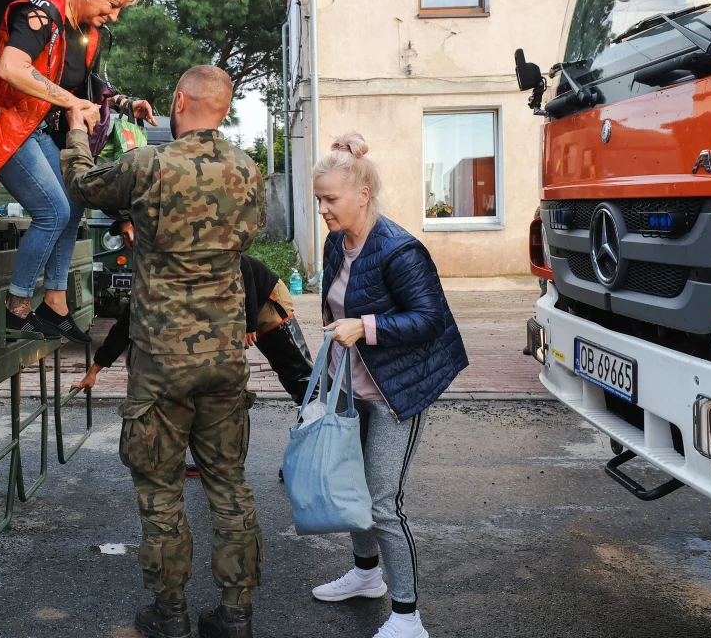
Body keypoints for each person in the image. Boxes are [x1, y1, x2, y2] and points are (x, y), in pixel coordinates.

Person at [61, 66, 264, 638]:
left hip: (160, 361)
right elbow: (246, 242)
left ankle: (170, 613)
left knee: (160, 489)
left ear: (179, 101)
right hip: (224, 357)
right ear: (223, 108)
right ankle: (236, 615)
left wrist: (77, 128)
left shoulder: (148, 165)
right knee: (229, 486)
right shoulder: (248, 170)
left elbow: (82, 184)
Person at [0, 0, 157, 343]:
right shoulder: (40, 11)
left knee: (74, 201)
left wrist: (126, 104)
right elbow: (12, 67)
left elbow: (85, 85)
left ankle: (55, 304)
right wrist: (70, 103)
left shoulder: (86, 31)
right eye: (113, 4)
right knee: (53, 211)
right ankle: (17, 308)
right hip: (2, 125)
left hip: (34, 127)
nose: (114, 16)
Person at [309, 132, 468, 638]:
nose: (323, 210)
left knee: (381, 503)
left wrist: (366, 327)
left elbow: (431, 319)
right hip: (350, 387)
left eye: (331, 200)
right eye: (319, 200)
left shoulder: (400, 251)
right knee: (351, 488)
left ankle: (407, 617)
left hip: (396, 391)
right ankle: (365, 575)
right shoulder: (337, 243)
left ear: (362, 195)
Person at [74, 253, 313, 405]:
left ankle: (320, 436)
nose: (130, 240)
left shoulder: (188, 242)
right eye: (125, 236)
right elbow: (126, 323)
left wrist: (249, 324)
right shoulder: (152, 271)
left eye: (132, 232)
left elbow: (243, 267)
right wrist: (94, 370)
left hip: (262, 299)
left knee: (296, 371)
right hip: (227, 313)